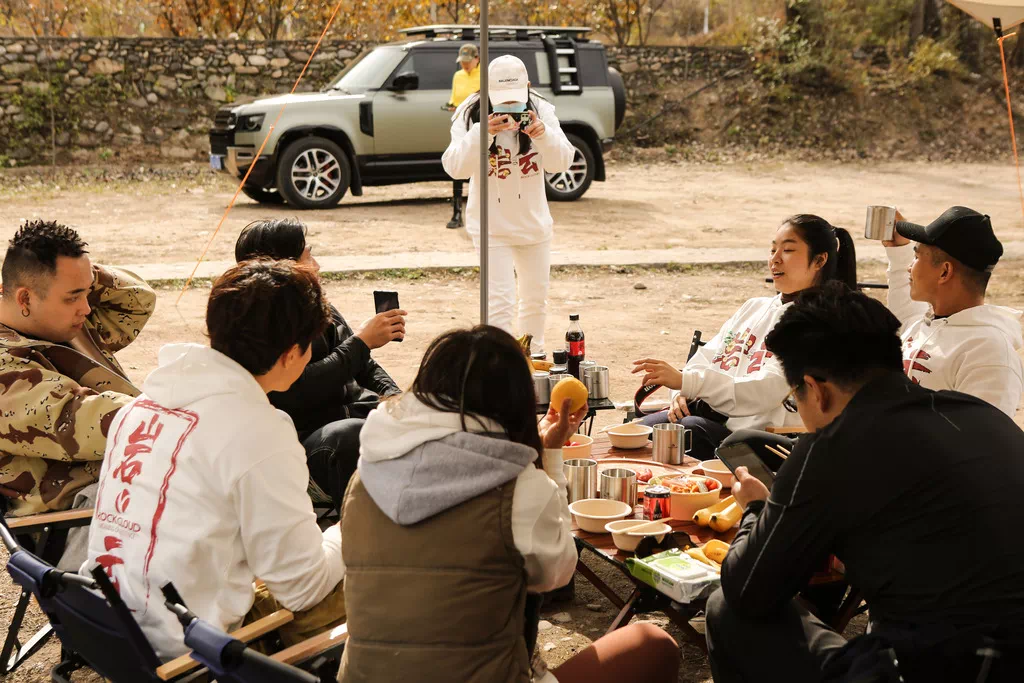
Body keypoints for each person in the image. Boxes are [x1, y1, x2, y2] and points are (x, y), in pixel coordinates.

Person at [705, 283, 1024, 683]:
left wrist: (754, 507)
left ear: (817, 390)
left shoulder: (833, 448)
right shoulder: (983, 416)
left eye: (795, 397)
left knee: (726, 611)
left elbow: (748, 589)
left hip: (943, 667)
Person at [338, 326, 680, 683]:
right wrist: (548, 455)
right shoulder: (518, 489)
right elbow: (557, 572)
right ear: (515, 399)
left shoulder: (367, 475)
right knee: (652, 643)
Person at [82, 260, 346, 659]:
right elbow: (302, 587)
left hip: (108, 623)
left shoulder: (141, 407)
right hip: (186, 650)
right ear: (293, 352)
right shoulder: (259, 431)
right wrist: (353, 529)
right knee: (386, 573)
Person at [632, 215, 857, 459]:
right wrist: (680, 393)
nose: (775, 259)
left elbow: (766, 389)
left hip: (758, 440)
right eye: (773, 249)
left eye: (788, 250)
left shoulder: (820, 321)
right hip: (709, 420)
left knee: (681, 433)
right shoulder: (754, 307)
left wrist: (688, 382)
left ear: (820, 260)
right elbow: (706, 357)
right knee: (634, 434)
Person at [235, 219, 405, 509]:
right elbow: (296, 389)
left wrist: (397, 399)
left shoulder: (316, 304)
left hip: (357, 413)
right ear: (283, 266)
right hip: (309, 444)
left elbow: (364, 366)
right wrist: (362, 342)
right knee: (349, 436)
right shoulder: (260, 324)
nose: (317, 265)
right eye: (307, 256)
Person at [0, 220, 155, 519]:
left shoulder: (61, 322)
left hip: (126, 480)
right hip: (81, 514)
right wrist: (179, 413)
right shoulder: (6, 364)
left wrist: (78, 275)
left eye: (86, 293)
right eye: (72, 297)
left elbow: (138, 299)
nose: (85, 307)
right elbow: (84, 417)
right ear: (24, 298)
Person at [442, 55, 575, 355]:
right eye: (501, 101)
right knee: (498, 304)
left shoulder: (542, 109)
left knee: (534, 300)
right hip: (491, 226)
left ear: (527, 87)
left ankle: (532, 362)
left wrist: (543, 135)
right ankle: (498, 366)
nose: (509, 109)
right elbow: (454, 168)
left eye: (515, 100)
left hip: (534, 223)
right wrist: (483, 132)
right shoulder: (470, 112)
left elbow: (562, 162)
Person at [883, 206, 1023, 417]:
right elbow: (905, 313)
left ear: (944, 272)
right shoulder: (927, 324)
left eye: (917, 257)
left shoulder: (988, 353)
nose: (909, 268)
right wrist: (899, 251)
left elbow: (986, 440)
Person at [445, 43, 481, 229]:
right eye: (463, 62)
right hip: (462, 125)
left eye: (468, 61)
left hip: (480, 124)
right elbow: (455, 98)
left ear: (477, 59)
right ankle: (457, 212)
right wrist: (451, 105)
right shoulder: (457, 76)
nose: (465, 65)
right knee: (458, 165)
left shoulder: (485, 75)